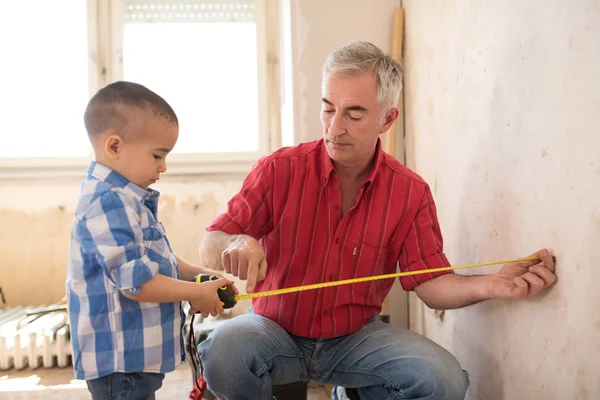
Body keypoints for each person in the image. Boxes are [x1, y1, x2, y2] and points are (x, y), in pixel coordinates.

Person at [196, 41, 557, 400]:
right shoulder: (279, 169)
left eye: (354, 114)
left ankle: (346, 394)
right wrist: (234, 242)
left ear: (387, 118)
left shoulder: (410, 192)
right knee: (225, 351)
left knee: (442, 381)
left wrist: (491, 285)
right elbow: (211, 241)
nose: (334, 128)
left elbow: (430, 283)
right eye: (328, 108)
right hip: (273, 330)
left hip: (354, 340)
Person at [65, 81, 237, 399]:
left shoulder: (129, 199)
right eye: (158, 155)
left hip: (135, 360)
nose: (164, 166)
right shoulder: (108, 201)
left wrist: (203, 277)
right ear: (114, 147)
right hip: (121, 364)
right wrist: (195, 293)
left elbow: (161, 261)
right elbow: (138, 284)